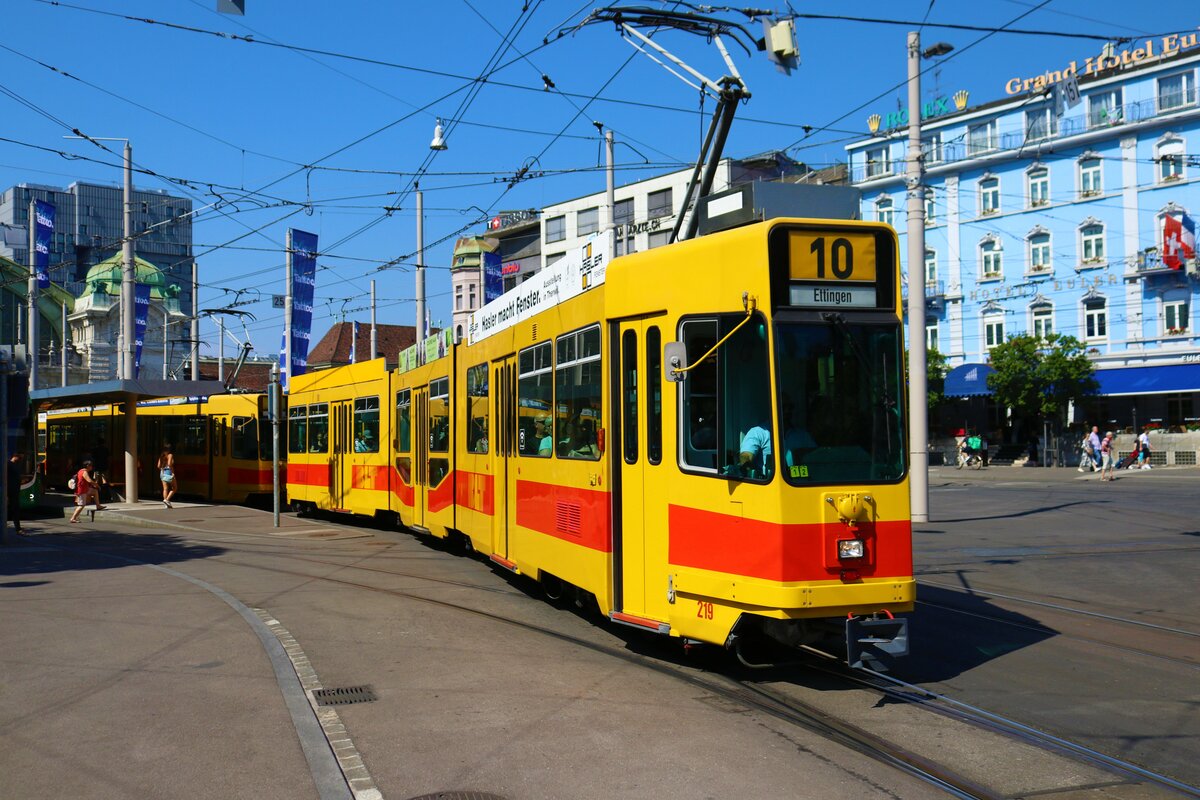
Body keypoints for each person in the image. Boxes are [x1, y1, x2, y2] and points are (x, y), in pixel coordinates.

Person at [7, 452, 23, 535]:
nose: (20, 459)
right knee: (13, 510)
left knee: (15, 510)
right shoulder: (8, 464)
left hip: (15, 492)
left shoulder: (16, 465)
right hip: (9, 492)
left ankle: (18, 529)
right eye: (19, 457)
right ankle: (18, 529)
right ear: (14, 456)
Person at [157, 443, 177, 509]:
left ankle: (166, 504)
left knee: (165, 488)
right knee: (174, 488)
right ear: (169, 449)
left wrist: (163, 468)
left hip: (162, 473)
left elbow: (158, 466)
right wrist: (172, 472)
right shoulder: (170, 455)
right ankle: (167, 499)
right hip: (169, 472)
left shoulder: (161, 456)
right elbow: (169, 464)